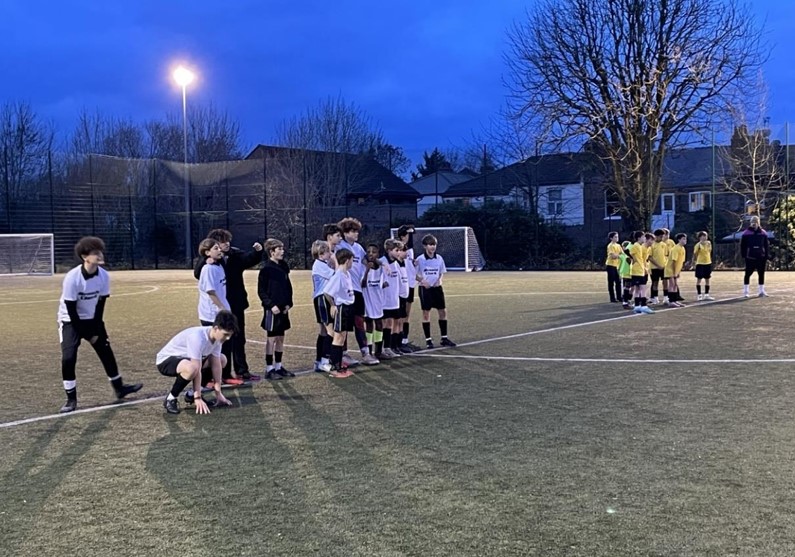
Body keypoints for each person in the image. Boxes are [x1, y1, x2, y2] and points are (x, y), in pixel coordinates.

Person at [56, 236, 142, 413]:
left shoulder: (103, 276)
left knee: (106, 351)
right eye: (95, 253)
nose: (100, 255)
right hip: (70, 321)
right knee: (68, 358)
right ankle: (71, 399)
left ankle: (119, 388)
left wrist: (96, 330)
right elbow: (71, 309)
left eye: (100, 251)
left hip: (92, 319)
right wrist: (87, 333)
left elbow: (100, 305)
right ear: (84, 257)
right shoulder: (72, 278)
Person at [193, 228, 263, 382]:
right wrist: (206, 260)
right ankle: (221, 374)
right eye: (222, 242)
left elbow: (248, 259)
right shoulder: (209, 262)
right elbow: (198, 273)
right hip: (219, 307)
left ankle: (242, 370)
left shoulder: (234, 254)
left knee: (239, 337)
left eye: (227, 241)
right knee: (221, 342)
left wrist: (258, 252)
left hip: (236, 303)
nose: (227, 244)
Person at [156, 310, 237, 415]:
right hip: (166, 361)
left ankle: (190, 395)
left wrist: (218, 394)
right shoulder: (198, 338)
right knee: (192, 368)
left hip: (186, 361)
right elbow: (196, 369)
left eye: (229, 335)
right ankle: (171, 398)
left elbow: (216, 365)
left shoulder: (217, 339)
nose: (228, 338)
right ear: (216, 328)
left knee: (222, 359)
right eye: (225, 334)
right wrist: (197, 398)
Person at [337, 218, 379, 365]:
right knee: (344, 325)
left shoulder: (359, 248)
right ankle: (343, 354)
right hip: (344, 291)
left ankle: (366, 353)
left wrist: (379, 264)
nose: (356, 234)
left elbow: (366, 261)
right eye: (353, 231)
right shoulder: (339, 246)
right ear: (345, 232)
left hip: (357, 290)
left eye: (357, 231)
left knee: (359, 322)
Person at [257, 238, 294, 380]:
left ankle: (278, 366)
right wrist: (271, 305)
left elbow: (288, 288)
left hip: (283, 309)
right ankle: (269, 368)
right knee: (271, 339)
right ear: (272, 252)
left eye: (282, 249)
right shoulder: (266, 269)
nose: (282, 251)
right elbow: (261, 291)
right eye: (279, 249)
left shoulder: (283, 267)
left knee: (280, 338)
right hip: (272, 309)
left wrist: (288, 304)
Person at [415, 234, 457, 347]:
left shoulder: (439, 258)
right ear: (425, 246)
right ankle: (428, 340)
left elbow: (441, 272)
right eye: (430, 244)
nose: (432, 247)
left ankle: (444, 338)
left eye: (434, 244)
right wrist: (423, 281)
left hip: (437, 289)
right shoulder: (420, 259)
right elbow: (413, 273)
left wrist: (439, 280)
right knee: (426, 313)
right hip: (425, 289)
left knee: (442, 311)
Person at [322, 248, 356, 378]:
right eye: (352, 260)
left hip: (349, 307)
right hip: (342, 308)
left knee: (343, 338)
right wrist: (333, 305)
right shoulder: (338, 275)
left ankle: (339, 365)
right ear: (347, 260)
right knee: (338, 338)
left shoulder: (347, 274)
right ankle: (334, 367)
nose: (352, 262)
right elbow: (327, 292)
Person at [310, 240, 335, 373]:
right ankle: (325, 361)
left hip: (321, 299)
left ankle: (319, 360)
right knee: (330, 331)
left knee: (323, 331)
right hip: (323, 299)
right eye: (328, 252)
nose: (330, 254)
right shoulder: (319, 265)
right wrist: (336, 262)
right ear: (321, 254)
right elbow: (336, 276)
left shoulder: (322, 264)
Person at [397, 224, 421, 349]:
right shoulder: (399, 250)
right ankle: (398, 341)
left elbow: (410, 268)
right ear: (402, 236)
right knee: (400, 315)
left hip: (410, 284)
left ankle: (404, 340)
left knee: (407, 315)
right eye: (408, 235)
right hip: (401, 286)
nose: (410, 237)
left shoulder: (410, 250)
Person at [378, 239, 403, 359]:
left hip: (394, 298)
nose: (399, 253)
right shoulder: (382, 262)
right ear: (388, 250)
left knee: (390, 323)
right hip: (384, 299)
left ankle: (388, 347)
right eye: (396, 250)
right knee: (383, 323)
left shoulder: (396, 263)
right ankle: (380, 349)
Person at [362, 243, 386, 360]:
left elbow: (384, 282)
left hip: (378, 300)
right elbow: (362, 284)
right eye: (368, 252)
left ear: (378, 254)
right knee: (369, 325)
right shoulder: (363, 267)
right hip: (367, 300)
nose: (371, 254)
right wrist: (367, 270)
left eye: (374, 252)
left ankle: (379, 351)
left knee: (379, 324)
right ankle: (369, 351)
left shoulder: (381, 267)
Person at [741, 215, 770, 297]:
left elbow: (766, 245)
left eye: (756, 222)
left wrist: (766, 255)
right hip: (750, 257)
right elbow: (743, 245)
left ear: (758, 223)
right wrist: (744, 255)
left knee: (761, 274)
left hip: (761, 257)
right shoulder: (746, 233)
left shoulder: (763, 233)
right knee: (748, 274)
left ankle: (761, 291)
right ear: (750, 223)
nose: (754, 223)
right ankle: (746, 292)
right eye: (753, 222)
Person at [629, 231, 654, 314]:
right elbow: (631, 254)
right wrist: (635, 262)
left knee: (638, 289)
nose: (644, 238)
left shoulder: (639, 246)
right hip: (637, 270)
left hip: (640, 270)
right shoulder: (636, 246)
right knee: (642, 288)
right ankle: (643, 306)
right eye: (643, 237)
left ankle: (637, 306)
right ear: (639, 238)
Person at [664, 233, 687, 307]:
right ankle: (671, 301)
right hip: (670, 269)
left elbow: (681, 261)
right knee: (672, 285)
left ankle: (675, 300)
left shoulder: (682, 248)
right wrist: (674, 272)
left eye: (685, 239)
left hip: (676, 270)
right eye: (683, 239)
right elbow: (674, 261)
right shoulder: (675, 248)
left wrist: (678, 272)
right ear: (679, 240)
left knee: (675, 285)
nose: (685, 240)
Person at [691, 231, 714, 301]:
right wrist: (693, 263)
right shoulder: (698, 245)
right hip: (700, 264)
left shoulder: (709, 243)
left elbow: (709, 252)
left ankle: (707, 294)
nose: (705, 237)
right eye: (703, 236)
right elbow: (695, 254)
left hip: (708, 263)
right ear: (700, 237)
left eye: (706, 236)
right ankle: (699, 295)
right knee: (699, 280)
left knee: (707, 279)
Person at [648, 229, 669, 304]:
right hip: (654, 268)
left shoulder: (664, 245)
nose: (662, 238)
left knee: (665, 282)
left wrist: (665, 264)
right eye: (660, 237)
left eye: (662, 236)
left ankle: (666, 297)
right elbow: (650, 257)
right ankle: (655, 298)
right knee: (655, 283)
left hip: (663, 267)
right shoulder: (652, 245)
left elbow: (665, 255)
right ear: (656, 236)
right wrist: (658, 265)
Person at [605, 231, 623, 303]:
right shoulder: (610, 246)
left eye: (617, 236)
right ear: (611, 238)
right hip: (610, 265)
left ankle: (619, 297)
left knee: (618, 282)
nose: (617, 238)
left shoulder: (618, 246)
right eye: (615, 237)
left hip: (617, 266)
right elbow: (613, 256)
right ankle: (612, 298)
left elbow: (622, 254)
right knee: (611, 282)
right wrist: (619, 255)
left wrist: (620, 255)